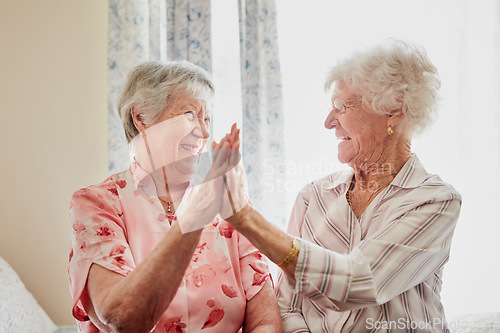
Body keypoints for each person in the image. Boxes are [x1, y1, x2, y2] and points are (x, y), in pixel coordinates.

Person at [222, 39, 462, 332]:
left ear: (394, 110)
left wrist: (245, 218)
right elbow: (288, 306)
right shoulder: (312, 198)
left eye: (340, 106)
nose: (328, 121)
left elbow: (359, 282)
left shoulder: (435, 201)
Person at [67, 60, 282, 333]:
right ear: (141, 118)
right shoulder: (96, 204)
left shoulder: (225, 197)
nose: (204, 132)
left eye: (206, 119)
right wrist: (198, 213)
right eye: (190, 115)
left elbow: (265, 321)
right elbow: (123, 318)